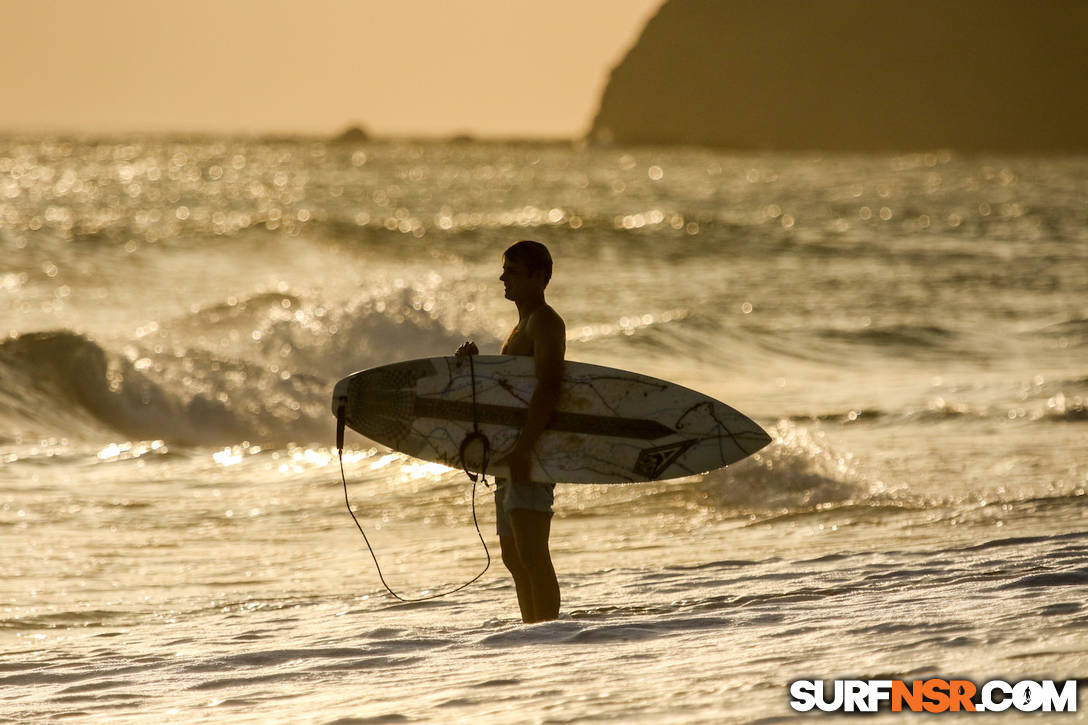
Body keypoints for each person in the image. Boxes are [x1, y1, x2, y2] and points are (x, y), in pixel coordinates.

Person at [455, 240, 564, 623]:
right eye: (504, 269)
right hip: (512, 455)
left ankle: (548, 635)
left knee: (533, 553)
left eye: (513, 270)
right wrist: (476, 367)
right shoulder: (520, 327)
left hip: (529, 453)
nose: (503, 277)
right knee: (514, 557)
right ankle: (532, 629)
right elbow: (512, 391)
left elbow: (550, 387)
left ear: (538, 277)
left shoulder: (546, 322)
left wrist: (524, 449)